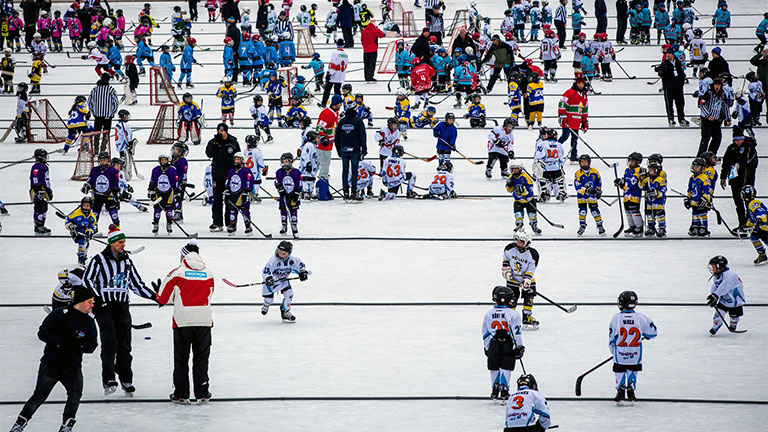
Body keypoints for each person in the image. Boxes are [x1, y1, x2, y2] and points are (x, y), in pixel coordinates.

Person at [8, 285, 97, 432]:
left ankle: (66, 426)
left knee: (75, 395)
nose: (92, 305)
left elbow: (92, 345)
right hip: (51, 365)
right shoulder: (58, 314)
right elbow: (42, 333)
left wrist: (77, 346)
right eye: (89, 302)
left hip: (73, 368)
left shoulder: (88, 322)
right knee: (39, 396)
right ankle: (19, 424)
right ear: (79, 302)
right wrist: (60, 341)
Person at [84, 225, 159, 396]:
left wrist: (155, 296)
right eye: (120, 242)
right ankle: (109, 378)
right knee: (110, 343)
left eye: (124, 242)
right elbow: (87, 281)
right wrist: (98, 299)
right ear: (111, 243)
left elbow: (136, 284)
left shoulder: (127, 262)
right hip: (104, 308)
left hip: (122, 308)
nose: (123, 245)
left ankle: (126, 379)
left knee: (125, 345)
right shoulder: (98, 260)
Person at [157, 239, 215, 404]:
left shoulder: (177, 273)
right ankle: (202, 392)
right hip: (204, 321)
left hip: (182, 323)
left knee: (181, 358)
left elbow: (162, 298)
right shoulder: (209, 272)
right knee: (201, 358)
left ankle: (181, 394)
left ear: (183, 256)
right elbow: (210, 294)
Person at [609, 291, 657, 405]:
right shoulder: (640, 317)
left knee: (619, 370)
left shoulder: (616, 318)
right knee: (632, 370)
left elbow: (612, 339)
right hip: (635, 353)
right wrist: (646, 335)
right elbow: (653, 332)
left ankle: (620, 391)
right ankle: (631, 391)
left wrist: (613, 352)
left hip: (620, 353)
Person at [482, 285, 524, 401]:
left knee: (494, 367)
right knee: (506, 366)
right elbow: (516, 333)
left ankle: (494, 390)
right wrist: (519, 347)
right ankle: (504, 390)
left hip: (494, 344)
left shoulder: (489, 314)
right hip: (507, 344)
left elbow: (485, 332)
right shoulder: (513, 314)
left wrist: (487, 347)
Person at [720, 127, 758, 230]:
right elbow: (726, 163)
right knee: (738, 202)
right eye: (735, 140)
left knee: (748, 202)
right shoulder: (731, 148)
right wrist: (723, 177)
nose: (737, 142)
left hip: (747, 179)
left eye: (738, 139)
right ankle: (742, 223)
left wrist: (739, 165)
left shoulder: (750, 148)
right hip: (734, 179)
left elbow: (749, 160)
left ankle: (750, 223)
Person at [261, 241, 309, 322]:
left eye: (284, 253)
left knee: (289, 295)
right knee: (269, 300)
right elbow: (265, 272)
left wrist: (302, 272)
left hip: (283, 281)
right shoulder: (273, 261)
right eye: (279, 252)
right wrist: (268, 278)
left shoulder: (293, 260)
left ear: (289, 253)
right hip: (272, 282)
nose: (281, 254)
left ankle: (285, 312)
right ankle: (266, 305)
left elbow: (300, 266)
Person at [205, 123, 241, 232]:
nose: (220, 133)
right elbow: (209, 154)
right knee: (217, 200)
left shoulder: (233, 142)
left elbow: (238, 156)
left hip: (230, 177)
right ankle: (217, 222)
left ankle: (230, 222)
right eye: (219, 131)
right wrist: (216, 144)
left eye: (222, 131)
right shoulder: (213, 141)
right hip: (217, 175)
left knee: (229, 200)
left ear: (226, 131)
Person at [501, 228, 540, 329]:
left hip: (526, 279)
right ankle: (511, 317)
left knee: (530, 296)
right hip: (513, 278)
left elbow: (531, 269)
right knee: (511, 298)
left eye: (521, 241)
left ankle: (527, 317)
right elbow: (506, 259)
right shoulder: (509, 248)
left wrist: (526, 280)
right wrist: (506, 270)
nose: (518, 243)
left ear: (527, 242)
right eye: (517, 240)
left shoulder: (533, 254)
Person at [335, 107, 367, 201]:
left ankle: (345, 192)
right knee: (354, 171)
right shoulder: (358, 121)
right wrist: (364, 150)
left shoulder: (341, 121)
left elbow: (337, 137)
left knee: (345, 171)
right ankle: (354, 192)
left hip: (344, 150)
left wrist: (338, 150)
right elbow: (362, 136)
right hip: (355, 150)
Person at [557, 77, 589, 162]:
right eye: (579, 83)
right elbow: (562, 104)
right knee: (565, 136)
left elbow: (584, 110)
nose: (581, 85)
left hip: (576, 121)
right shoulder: (569, 92)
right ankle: (554, 151)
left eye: (582, 84)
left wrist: (584, 122)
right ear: (576, 84)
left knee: (575, 139)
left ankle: (573, 155)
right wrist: (562, 116)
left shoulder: (584, 96)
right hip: (568, 120)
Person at [697, 78, 731, 156]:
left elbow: (725, 107)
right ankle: (701, 155)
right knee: (705, 139)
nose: (717, 86)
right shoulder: (708, 94)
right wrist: (708, 115)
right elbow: (701, 104)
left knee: (717, 138)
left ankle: (711, 154)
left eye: (719, 85)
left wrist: (728, 118)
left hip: (716, 120)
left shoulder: (723, 94)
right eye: (716, 84)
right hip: (707, 120)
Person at [655, 47, 689, 126]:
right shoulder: (665, 64)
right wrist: (660, 71)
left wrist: (681, 80)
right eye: (667, 54)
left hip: (678, 86)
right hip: (668, 86)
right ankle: (671, 118)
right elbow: (661, 74)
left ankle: (681, 119)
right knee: (669, 104)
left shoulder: (677, 62)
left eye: (670, 54)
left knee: (680, 103)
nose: (668, 55)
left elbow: (681, 73)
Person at [614, 152, 645, 237]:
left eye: (632, 161)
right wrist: (619, 181)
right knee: (628, 211)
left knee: (634, 211)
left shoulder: (639, 171)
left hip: (634, 195)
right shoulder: (627, 170)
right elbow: (624, 180)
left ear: (637, 162)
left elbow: (631, 182)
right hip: (626, 196)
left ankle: (639, 227)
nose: (630, 162)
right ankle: (632, 226)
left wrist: (622, 185)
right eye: (630, 161)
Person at [574, 154, 605, 236]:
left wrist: (598, 191)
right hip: (582, 197)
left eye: (586, 162)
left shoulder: (594, 171)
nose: (584, 164)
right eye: (582, 162)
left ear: (589, 162)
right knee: (582, 211)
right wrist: (585, 190)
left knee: (595, 211)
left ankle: (600, 225)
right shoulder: (578, 173)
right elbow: (577, 185)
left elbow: (599, 181)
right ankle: (582, 226)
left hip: (592, 197)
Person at [87, 73, 119, 152]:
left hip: (97, 115)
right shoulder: (111, 89)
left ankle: (95, 149)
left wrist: (94, 112)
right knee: (106, 134)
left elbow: (89, 102)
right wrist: (112, 113)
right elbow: (115, 102)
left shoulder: (94, 89)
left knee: (97, 133)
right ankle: (103, 150)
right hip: (108, 116)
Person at [275, 152, 303, 236]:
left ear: (290, 162)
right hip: (284, 195)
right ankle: (284, 225)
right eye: (283, 161)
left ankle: (294, 225)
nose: (285, 163)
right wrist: (280, 188)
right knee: (283, 209)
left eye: (286, 161)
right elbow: (277, 182)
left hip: (293, 194)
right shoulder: (279, 172)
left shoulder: (296, 172)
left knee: (293, 209)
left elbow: (299, 183)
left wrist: (297, 192)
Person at [685, 157, 712, 237]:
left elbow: (707, 191)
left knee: (702, 214)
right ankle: (695, 226)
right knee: (695, 214)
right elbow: (690, 190)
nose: (695, 168)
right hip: (694, 202)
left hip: (701, 202)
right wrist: (688, 199)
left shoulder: (704, 178)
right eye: (694, 166)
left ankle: (703, 227)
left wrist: (705, 199)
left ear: (702, 168)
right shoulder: (692, 178)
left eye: (697, 167)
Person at [741, 186, 768, 265]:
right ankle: (762, 254)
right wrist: (746, 225)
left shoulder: (753, 203)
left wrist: (760, 220)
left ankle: (762, 255)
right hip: (763, 227)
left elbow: (761, 212)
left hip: (765, 226)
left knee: (758, 237)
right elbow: (752, 218)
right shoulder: (750, 204)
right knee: (754, 236)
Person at [29, 148, 53, 236]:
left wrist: (48, 190)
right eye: (44, 156)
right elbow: (35, 180)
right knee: (39, 207)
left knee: (44, 207)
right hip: (38, 190)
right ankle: (38, 227)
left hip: (44, 190)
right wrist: (38, 191)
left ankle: (42, 225)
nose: (46, 157)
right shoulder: (37, 167)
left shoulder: (44, 166)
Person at [319, 39, 348, 107]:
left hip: (334, 75)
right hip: (341, 74)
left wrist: (329, 73)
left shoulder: (335, 53)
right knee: (337, 90)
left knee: (327, 89)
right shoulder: (345, 54)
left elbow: (333, 64)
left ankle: (324, 103)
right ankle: (339, 103)